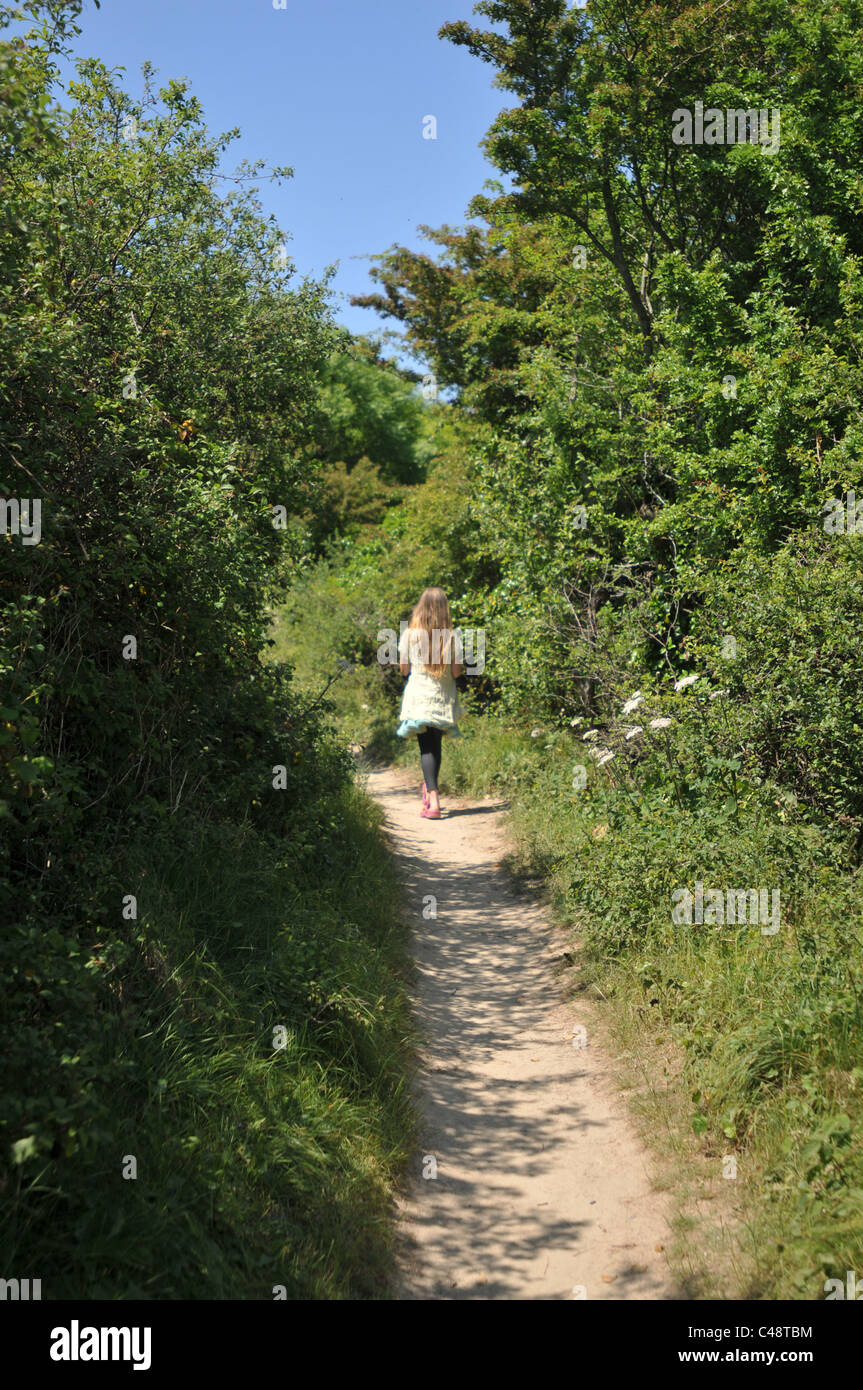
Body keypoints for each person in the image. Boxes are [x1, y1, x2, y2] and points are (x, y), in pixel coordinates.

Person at [396, 587, 464, 819]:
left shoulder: (409, 635)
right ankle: (431, 791)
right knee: (435, 744)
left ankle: (432, 799)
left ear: (420, 607)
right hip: (442, 697)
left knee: (425, 746)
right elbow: (456, 673)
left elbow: (404, 670)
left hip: (419, 696)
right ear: (445, 609)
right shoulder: (453, 637)